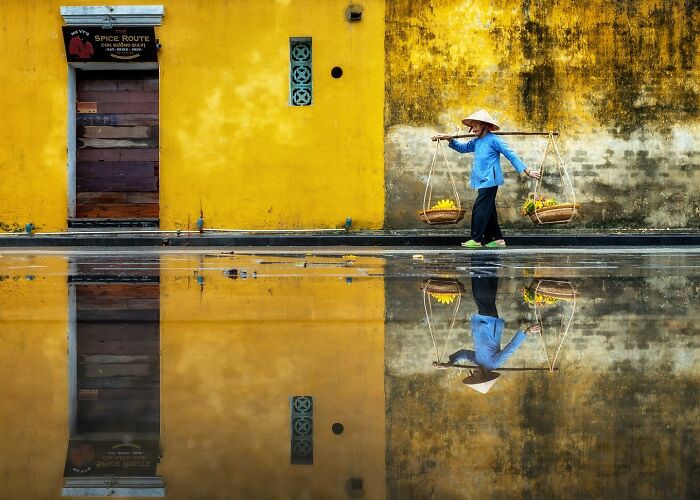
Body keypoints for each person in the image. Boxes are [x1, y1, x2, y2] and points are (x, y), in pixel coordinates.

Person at [432, 109, 541, 248]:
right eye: (472, 126)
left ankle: (476, 239)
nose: (473, 129)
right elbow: (462, 148)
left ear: (484, 125)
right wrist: (450, 139)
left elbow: (511, 154)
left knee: (479, 208)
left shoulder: (494, 140)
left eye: (476, 125)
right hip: (481, 180)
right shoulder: (477, 142)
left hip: (490, 180)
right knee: (488, 209)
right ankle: (497, 239)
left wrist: (527, 170)